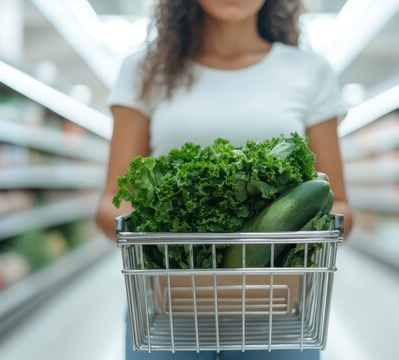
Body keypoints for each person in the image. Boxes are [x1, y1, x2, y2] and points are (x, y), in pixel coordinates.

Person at [96, 0, 352, 359]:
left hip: (277, 323)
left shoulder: (310, 71)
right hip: (170, 322)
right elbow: (112, 201)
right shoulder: (143, 70)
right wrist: (155, 232)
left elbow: (338, 204)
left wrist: (293, 236)